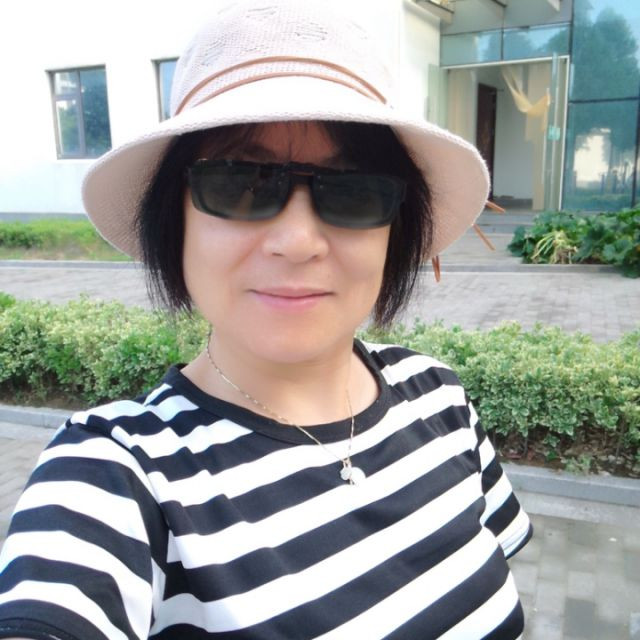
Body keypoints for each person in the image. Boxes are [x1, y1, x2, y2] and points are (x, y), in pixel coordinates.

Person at [0, 1, 532, 638]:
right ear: (176, 220)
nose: (297, 242)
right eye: (239, 182)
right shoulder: (117, 477)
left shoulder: (441, 398)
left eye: (353, 187)